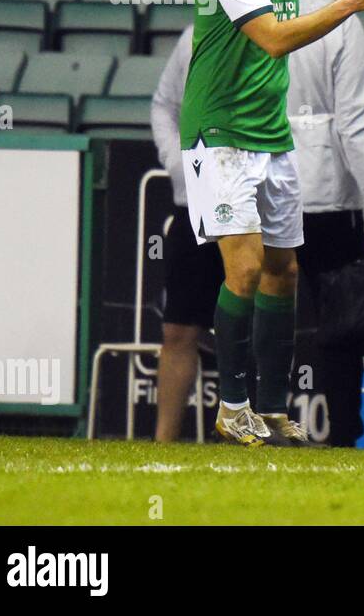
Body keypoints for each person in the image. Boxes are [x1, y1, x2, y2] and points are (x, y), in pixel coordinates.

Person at [180, 0, 364, 447]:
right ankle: (232, 406)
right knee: (245, 269)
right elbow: (273, 39)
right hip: (220, 133)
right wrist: (352, 5)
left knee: (284, 271)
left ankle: (273, 410)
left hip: (270, 135)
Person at [151, 31, 225, 442]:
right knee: (178, 328)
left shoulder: (279, 31)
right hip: (195, 203)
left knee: (249, 328)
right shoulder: (197, 35)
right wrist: (174, 160)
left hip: (256, 203)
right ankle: (164, 443)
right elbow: (164, 105)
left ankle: (249, 436)